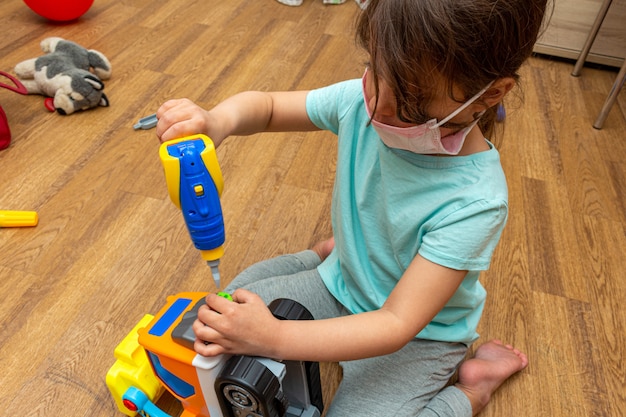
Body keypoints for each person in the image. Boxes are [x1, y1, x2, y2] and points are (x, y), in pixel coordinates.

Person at [155, 0, 547, 415]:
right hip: (340, 284)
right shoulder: (361, 100)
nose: (377, 105)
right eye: (375, 70)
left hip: (418, 339)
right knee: (223, 313)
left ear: (492, 94)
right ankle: (329, 253)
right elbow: (268, 108)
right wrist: (216, 121)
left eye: (411, 101)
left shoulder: (477, 201)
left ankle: (473, 390)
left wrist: (272, 338)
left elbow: (396, 324)